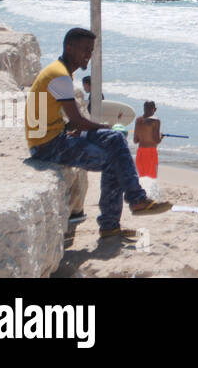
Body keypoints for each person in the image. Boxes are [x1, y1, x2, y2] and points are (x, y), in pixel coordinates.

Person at [25, 28, 171, 238]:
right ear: (69, 47)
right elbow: (77, 119)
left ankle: (130, 205)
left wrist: (74, 128)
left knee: (115, 140)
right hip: (47, 146)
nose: (88, 55)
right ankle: (118, 217)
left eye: (91, 50)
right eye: (85, 49)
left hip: (52, 137)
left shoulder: (59, 72)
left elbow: (61, 118)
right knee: (113, 155)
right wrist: (103, 127)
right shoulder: (59, 76)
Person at [133, 101, 161, 178]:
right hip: (151, 152)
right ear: (155, 109)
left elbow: (135, 140)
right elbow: (157, 140)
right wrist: (161, 136)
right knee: (151, 179)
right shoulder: (156, 121)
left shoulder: (138, 120)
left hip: (140, 152)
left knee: (141, 178)